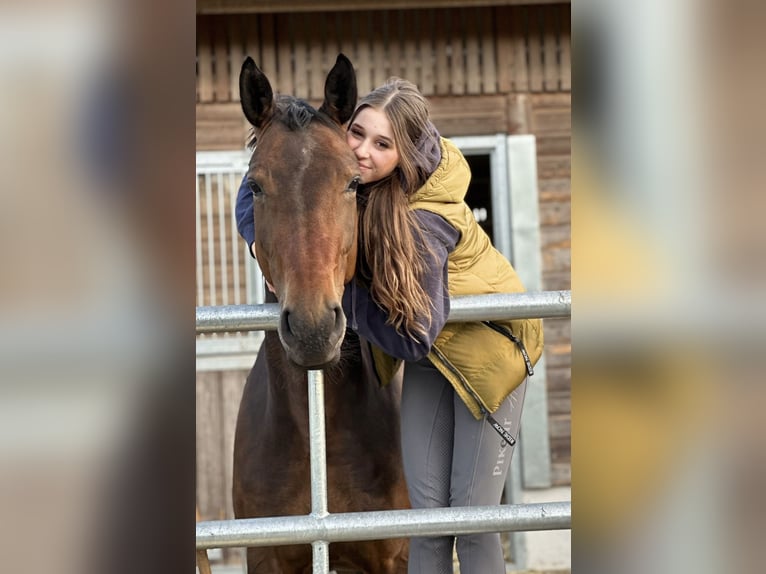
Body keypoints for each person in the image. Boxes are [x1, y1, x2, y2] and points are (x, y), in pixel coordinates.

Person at [236, 77, 543, 573]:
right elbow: (270, 183)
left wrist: (343, 297)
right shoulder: (356, 183)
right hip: (429, 364)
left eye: (382, 143)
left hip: (488, 359)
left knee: (471, 517)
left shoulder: (422, 217)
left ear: (406, 151)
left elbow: (414, 334)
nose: (359, 150)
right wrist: (254, 234)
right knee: (424, 520)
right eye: (357, 133)